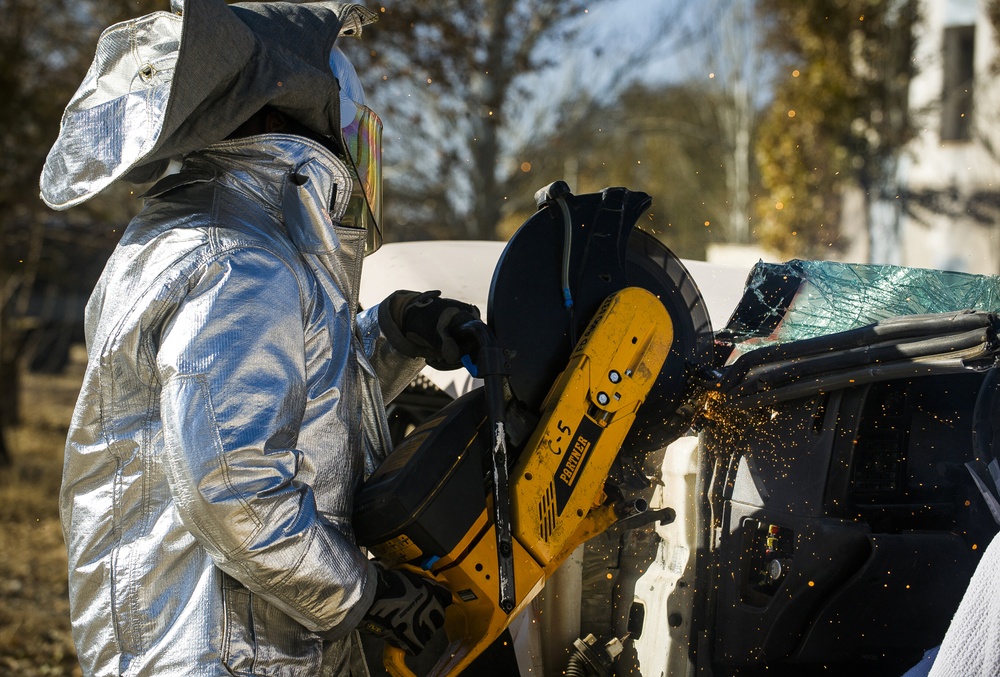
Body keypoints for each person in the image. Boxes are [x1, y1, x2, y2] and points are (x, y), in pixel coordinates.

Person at [39, 1, 475, 674]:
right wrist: (363, 593)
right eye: (348, 133)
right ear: (287, 118)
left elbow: (298, 407)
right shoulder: (238, 256)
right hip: (226, 648)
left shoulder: (222, 233)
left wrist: (392, 333)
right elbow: (232, 482)